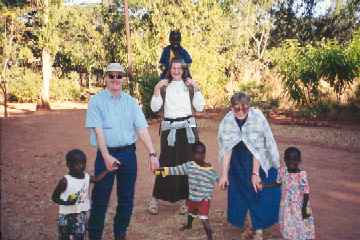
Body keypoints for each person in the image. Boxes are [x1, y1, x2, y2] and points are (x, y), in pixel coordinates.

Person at [85, 63, 159, 240]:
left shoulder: (131, 102)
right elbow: (98, 131)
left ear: (124, 79)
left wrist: (152, 153)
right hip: (105, 155)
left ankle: (120, 233)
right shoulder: (96, 101)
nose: (115, 79)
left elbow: (141, 129)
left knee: (126, 198)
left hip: (128, 155)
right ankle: (95, 235)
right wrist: (106, 156)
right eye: (111, 76)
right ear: (105, 78)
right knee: (100, 198)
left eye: (119, 76)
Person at [218, 92, 281, 240]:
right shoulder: (228, 121)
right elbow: (227, 149)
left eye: (245, 109)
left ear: (249, 107)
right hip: (238, 159)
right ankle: (247, 225)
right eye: (237, 109)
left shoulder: (257, 118)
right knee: (240, 193)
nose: (241, 112)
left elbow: (258, 149)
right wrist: (224, 174)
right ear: (231, 108)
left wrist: (255, 174)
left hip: (258, 158)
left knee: (256, 191)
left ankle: (258, 229)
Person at [148, 58, 205, 215]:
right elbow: (154, 107)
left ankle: (185, 200)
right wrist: (156, 89)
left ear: (184, 69)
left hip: (187, 128)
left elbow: (200, 107)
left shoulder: (190, 86)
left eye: (180, 68)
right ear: (170, 69)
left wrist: (197, 87)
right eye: (174, 67)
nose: (176, 70)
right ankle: (155, 198)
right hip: (170, 129)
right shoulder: (164, 87)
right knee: (166, 161)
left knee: (188, 163)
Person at [155, 141, 218, 240]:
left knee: (204, 218)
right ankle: (189, 225)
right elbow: (176, 170)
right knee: (191, 212)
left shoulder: (210, 170)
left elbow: (219, 180)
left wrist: (225, 183)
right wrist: (162, 171)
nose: (200, 156)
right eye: (198, 153)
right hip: (192, 197)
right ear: (193, 155)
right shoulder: (189, 166)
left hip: (204, 200)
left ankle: (210, 236)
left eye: (202, 153)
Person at [52, 149, 116, 240]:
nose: (81, 166)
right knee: (64, 236)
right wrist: (66, 202)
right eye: (76, 164)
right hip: (66, 215)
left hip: (81, 214)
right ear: (68, 165)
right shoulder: (65, 181)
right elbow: (54, 198)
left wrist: (107, 170)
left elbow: (97, 179)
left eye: (83, 163)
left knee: (80, 235)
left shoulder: (86, 177)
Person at [261, 147, 315, 240]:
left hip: (299, 206)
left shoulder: (302, 175)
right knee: (287, 225)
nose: (292, 163)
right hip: (286, 206)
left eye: (295, 160)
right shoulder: (282, 171)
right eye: (289, 160)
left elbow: (306, 192)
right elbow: (277, 183)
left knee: (301, 226)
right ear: (285, 160)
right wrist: (264, 185)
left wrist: (304, 208)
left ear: (299, 161)